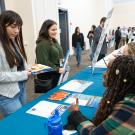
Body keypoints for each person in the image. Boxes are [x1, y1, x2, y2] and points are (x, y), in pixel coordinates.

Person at [65, 55, 135, 135]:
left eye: (109, 70)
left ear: (122, 77)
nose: (103, 74)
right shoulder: (127, 95)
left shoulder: (129, 108)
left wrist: (75, 114)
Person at [0, 10, 31, 117]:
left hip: (20, 87)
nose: (17, 31)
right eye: (13, 27)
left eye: (19, 27)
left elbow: (19, 63)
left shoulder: (12, 41)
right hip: (6, 94)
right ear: (2, 25)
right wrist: (23, 74)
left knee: (24, 118)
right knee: (18, 121)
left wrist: (29, 69)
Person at [36, 19, 64, 89]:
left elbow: (60, 54)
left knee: (58, 94)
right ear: (46, 30)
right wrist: (57, 69)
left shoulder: (54, 40)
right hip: (48, 76)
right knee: (50, 96)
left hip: (56, 73)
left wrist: (62, 64)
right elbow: (43, 62)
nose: (55, 32)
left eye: (56, 29)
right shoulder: (42, 44)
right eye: (53, 30)